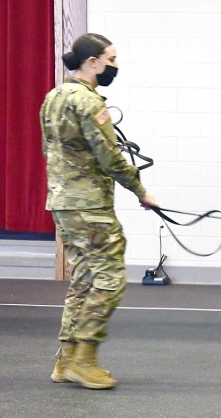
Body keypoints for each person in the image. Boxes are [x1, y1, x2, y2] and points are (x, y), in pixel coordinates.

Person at [40, 33, 157, 390]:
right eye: (111, 58)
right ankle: (84, 358)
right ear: (92, 62)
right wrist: (141, 190)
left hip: (62, 202)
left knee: (84, 279)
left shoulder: (53, 97)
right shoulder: (89, 103)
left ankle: (65, 360)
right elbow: (109, 155)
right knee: (110, 277)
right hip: (89, 205)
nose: (115, 65)